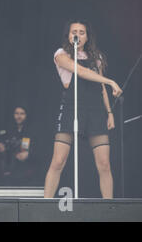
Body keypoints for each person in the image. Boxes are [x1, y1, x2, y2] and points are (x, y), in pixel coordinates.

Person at [44, 19, 122, 198]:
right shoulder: (61, 54)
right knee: (58, 161)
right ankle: (45, 206)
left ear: (87, 37)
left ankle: (108, 207)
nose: (77, 35)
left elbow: (100, 88)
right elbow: (80, 71)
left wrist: (109, 112)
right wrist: (110, 81)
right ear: (68, 35)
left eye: (81, 32)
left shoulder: (97, 58)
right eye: (74, 32)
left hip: (95, 110)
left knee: (104, 164)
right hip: (72, 107)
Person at [0, 106, 34, 185]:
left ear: (26, 115)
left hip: (27, 172)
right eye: (16, 113)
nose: (19, 116)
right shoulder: (6, 130)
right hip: (9, 172)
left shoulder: (32, 130)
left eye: (22, 114)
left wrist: (29, 154)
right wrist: (0, 147)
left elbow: (40, 149)